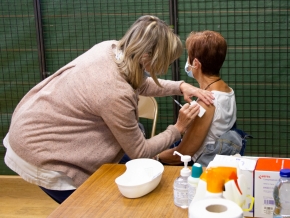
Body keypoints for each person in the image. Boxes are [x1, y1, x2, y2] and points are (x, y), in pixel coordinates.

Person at [3, 15, 214, 204]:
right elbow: (139, 152)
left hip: (36, 120)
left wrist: (180, 86)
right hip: (38, 148)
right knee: (93, 207)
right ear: (147, 56)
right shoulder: (114, 91)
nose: (165, 67)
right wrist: (178, 128)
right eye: (164, 61)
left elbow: (138, 82)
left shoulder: (111, 48)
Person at [157, 30, 243, 167]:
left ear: (195, 63)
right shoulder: (227, 90)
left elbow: (182, 155)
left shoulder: (207, 102)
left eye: (188, 57)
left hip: (198, 166)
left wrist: (153, 155)